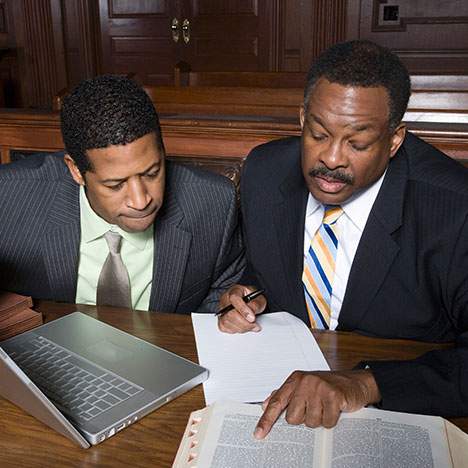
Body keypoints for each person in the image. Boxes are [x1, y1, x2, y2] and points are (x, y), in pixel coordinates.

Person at [217, 40, 468, 438]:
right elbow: (264, 267)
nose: (331, 159)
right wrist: (249, 293)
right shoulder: (263, 172)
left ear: (395, 140)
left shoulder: (454, 208)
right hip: (272, 406)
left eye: (357, 143)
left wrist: (366, 384)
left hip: (398, 420)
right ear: (302, 119)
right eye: (318, 134)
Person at [0, 75, 244, 313]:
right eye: (115, 185)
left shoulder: (213, 202)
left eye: (152, 173)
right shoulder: (9, 197)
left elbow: (223, 289)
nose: (141, 201)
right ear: (76, 170)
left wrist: (230, 306)